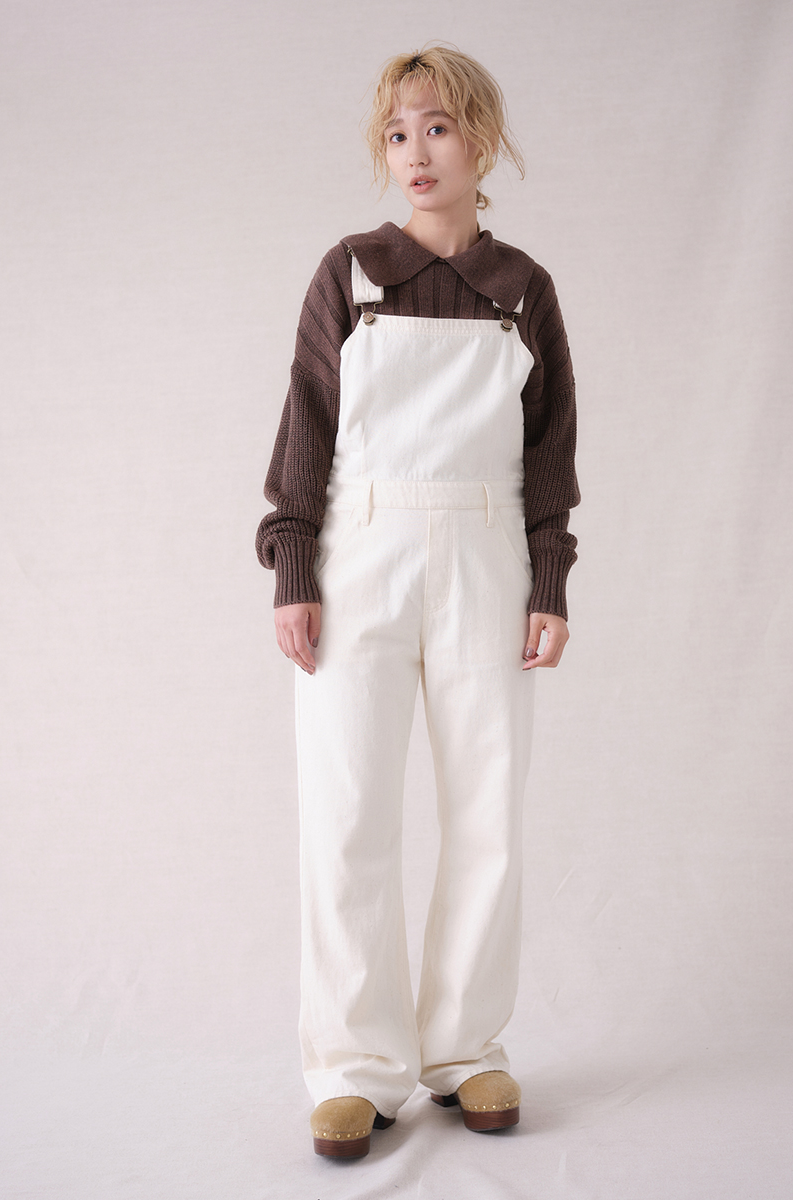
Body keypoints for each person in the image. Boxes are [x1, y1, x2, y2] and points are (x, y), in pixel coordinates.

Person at [256, 44, 579, 1159]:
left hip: (488, 553)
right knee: (347, 813)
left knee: (488, 811)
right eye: (397, 133)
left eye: (437, 127)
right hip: (361, 554)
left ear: (482, 141)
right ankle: (354, 1067)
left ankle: (467, 1050)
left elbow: (548, 454)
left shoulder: (524, 289)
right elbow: (304, 431)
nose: (415, 151)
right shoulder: (348, 274)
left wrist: (550, 581)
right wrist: (294, 571)